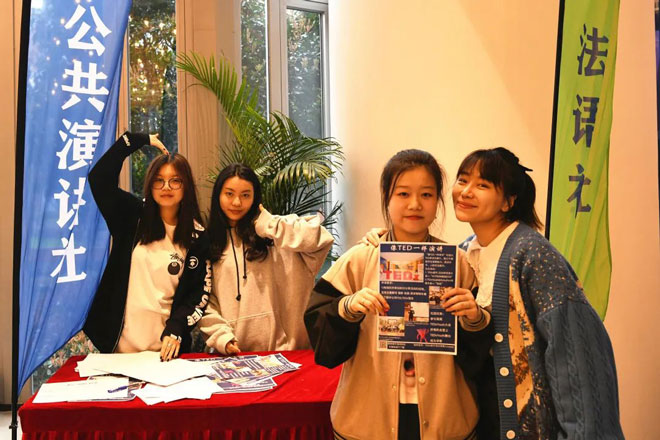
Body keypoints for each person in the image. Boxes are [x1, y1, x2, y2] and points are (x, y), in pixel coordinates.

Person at [304, 149, 493, 440]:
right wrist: (347, 308)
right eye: (403, 194)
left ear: (438, 201)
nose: (415, 204)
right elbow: (320, 333)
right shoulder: (360, 258)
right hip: (368, 417)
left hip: (445, 416)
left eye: (427, 195)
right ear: (387, 198)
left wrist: (475, 319)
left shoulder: (457, 263)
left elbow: (480, 355)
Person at [451, 147, 623, 439]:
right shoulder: (466, 252)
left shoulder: (533, 254)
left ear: (509, 201)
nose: (466, 192)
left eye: (483, 185)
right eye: (463, 180)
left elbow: (575, 354)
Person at [83, 132, 211, 361]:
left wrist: (176, 328)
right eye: (158, 180)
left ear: (186, 186)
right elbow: (99, 179)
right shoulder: (132, 217)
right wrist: (136, 140)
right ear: (150, 185)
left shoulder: (197, 236)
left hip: (165, 352)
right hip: (118, 349)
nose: (166, 187)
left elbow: (197, 295)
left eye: (175, 181)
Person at [199, 163, 333, 355]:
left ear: (255, 198)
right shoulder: (208, 243)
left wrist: (269, 225)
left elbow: (321, 239)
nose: (236, 202)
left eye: (246, 195)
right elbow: (204, 301)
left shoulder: (275, 232)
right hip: (234, 356)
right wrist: (221, 337)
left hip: (287, 355)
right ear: (218, 195)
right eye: (229, 194)